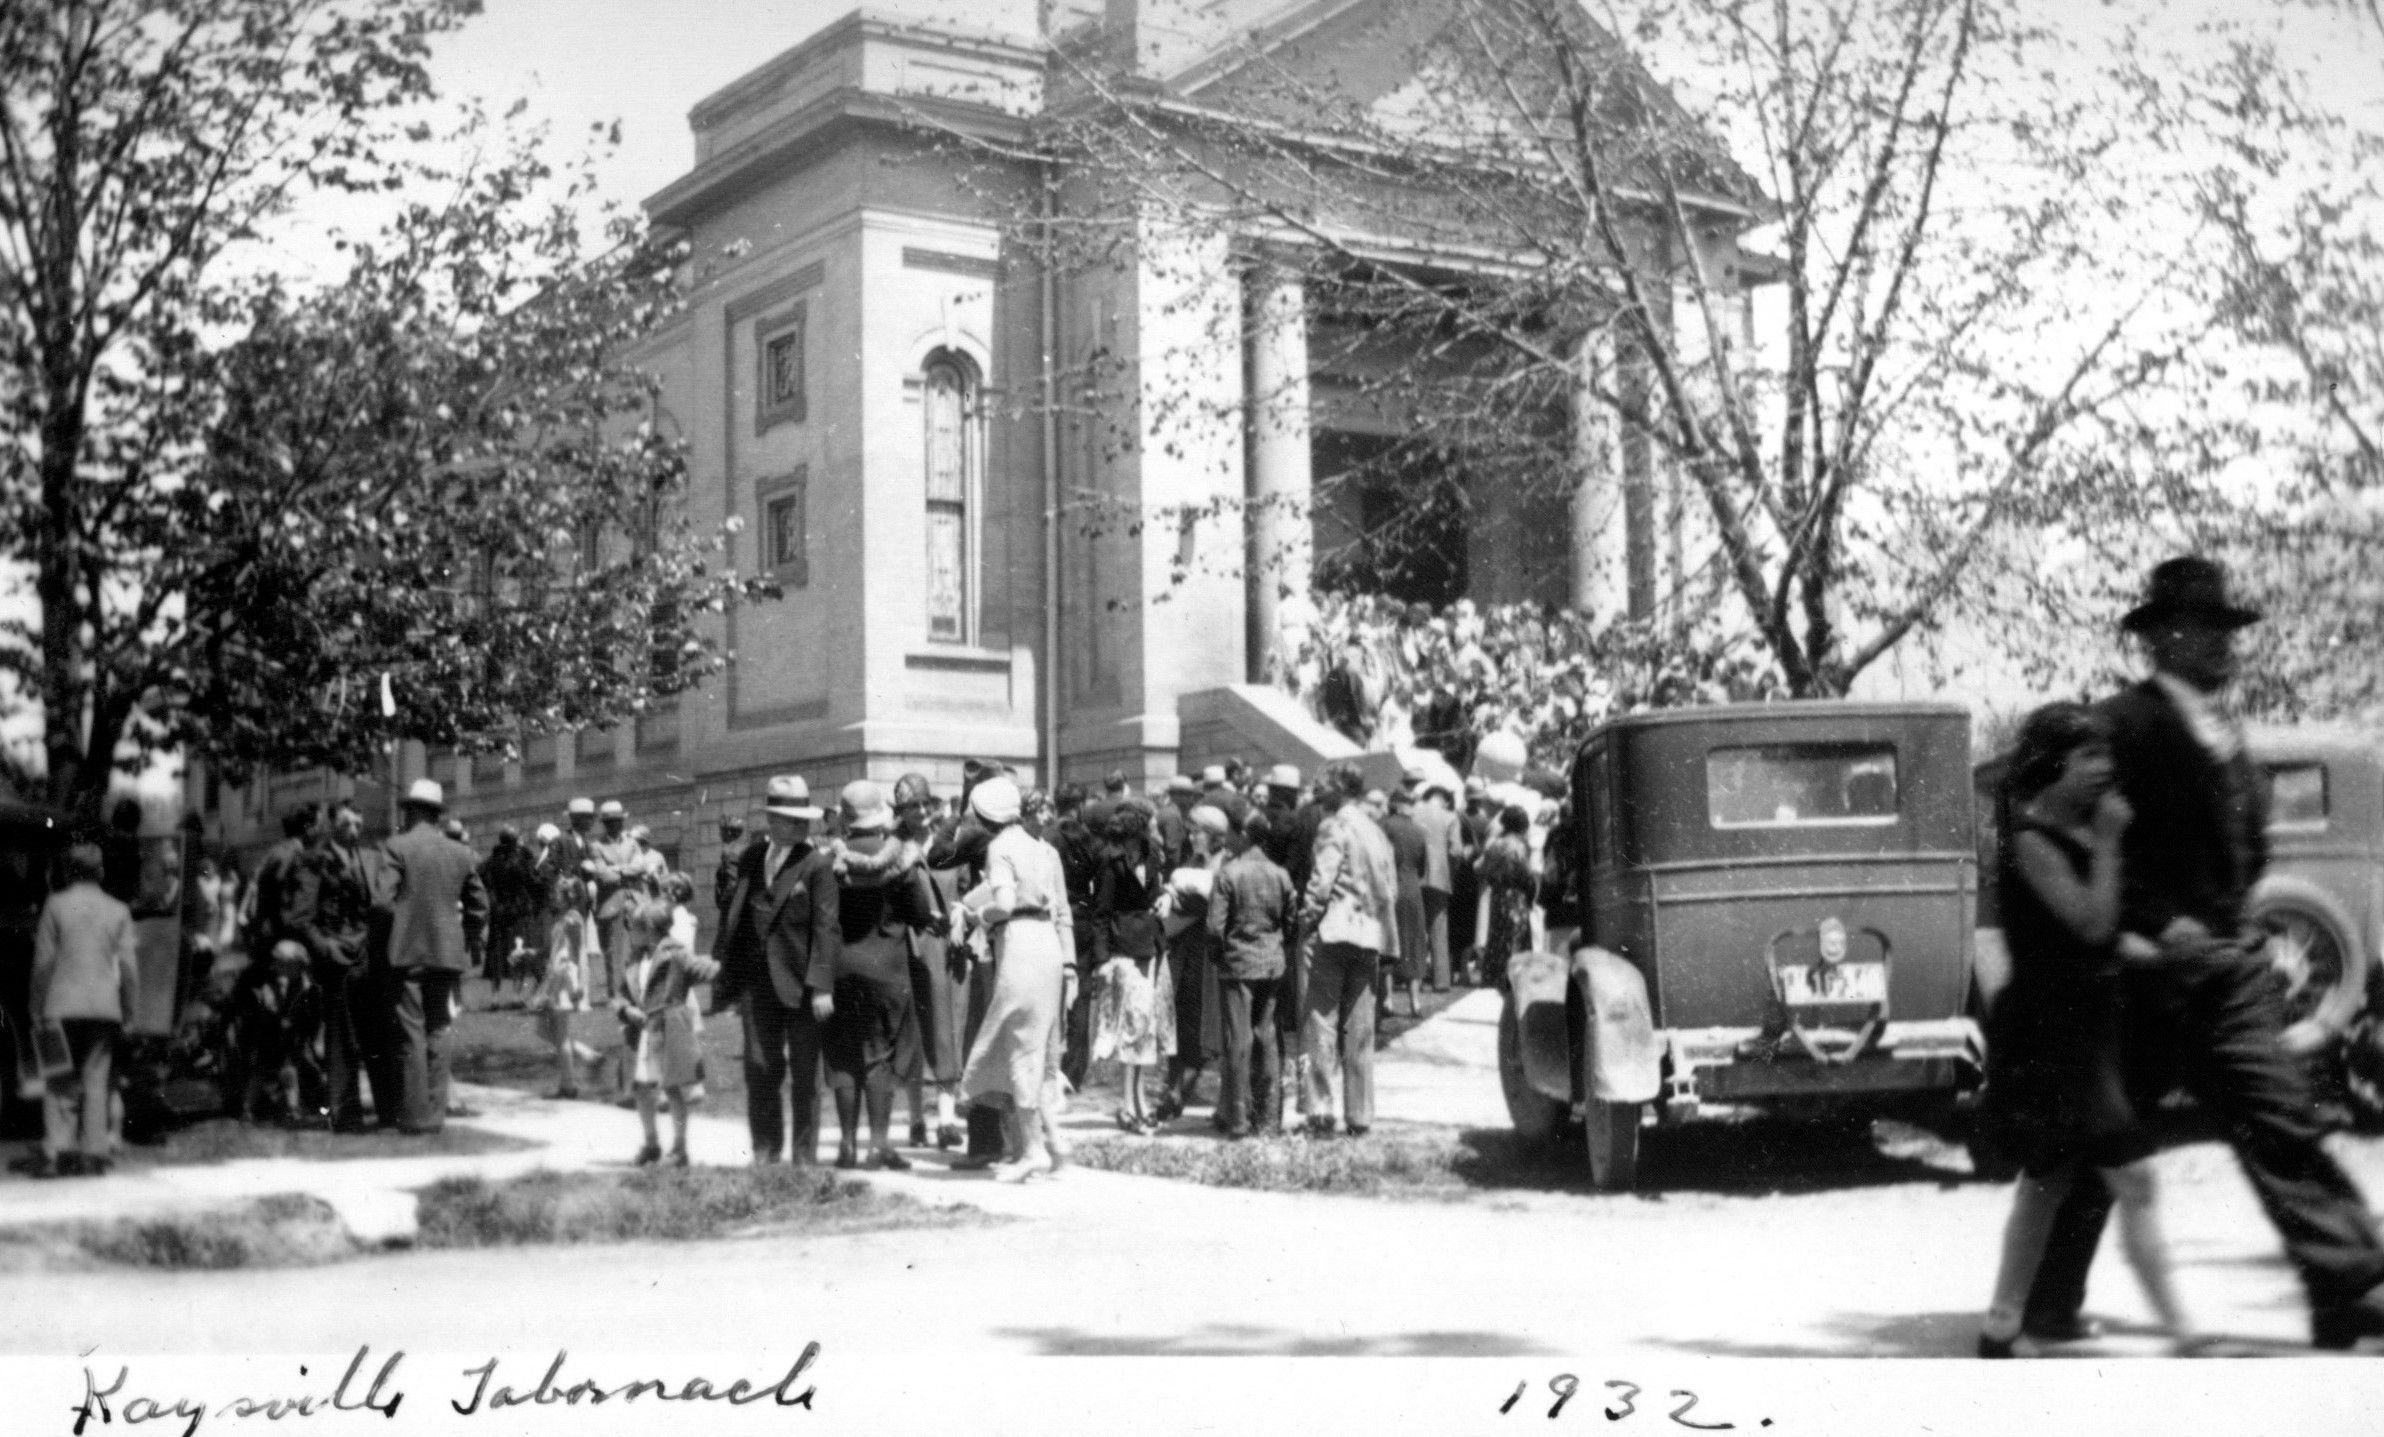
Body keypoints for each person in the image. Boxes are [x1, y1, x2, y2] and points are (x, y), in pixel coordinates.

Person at [2027, 556, 2384, 1353]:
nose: (2223, 644)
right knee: (2104, 1146)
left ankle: (2348, 1288)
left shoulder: (2226, 732)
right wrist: (2155, 924)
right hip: (2142, 981)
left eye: (2226, 629)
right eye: (2202, 629)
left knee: (2281, 1117)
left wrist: (2231, 918)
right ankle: (2041, 1299)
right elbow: (2071, 838)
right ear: (2160, 639)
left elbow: (2245, 845)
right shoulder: (2118, 726)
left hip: (2229, 975)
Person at [1976, 704, 2194, 1358]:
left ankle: (2000, 1327)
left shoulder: (2067, 833)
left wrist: (2161, 950)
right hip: (2058, 1038)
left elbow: (2087, 938)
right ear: (2053, 764)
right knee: (2132, 1178)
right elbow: (2093, 926)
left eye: (2106, 754)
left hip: (2082, 1030)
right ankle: (2186, 1336)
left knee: (2047, 1183)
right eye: (2089, 755)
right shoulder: (2035, 841)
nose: (2105, 767)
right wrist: (2109, 841)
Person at [714, 775, 841, 1166]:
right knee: (759, 1066)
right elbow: (736, 915)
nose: (800, 825)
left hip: (802, 987)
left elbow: (827, 928)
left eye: (804, 819)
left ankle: (804, 1159)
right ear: (771, 819)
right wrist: (729, 975)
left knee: (805, 1073)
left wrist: (822, 986)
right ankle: (765, 1152)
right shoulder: (751, 858)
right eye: (790, 818)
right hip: (758, 985)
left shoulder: (816, 864)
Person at [954, 776, 1076, 1180]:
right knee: (1037, 1047)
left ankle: (1034, 1151)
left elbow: (1004, 903)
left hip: (1020, 945)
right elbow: (1060, 910)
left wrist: (977, 915)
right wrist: (1071, 966)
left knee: (1020, 1047)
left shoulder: (999, 847)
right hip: (1048, 946)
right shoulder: (1043, 848)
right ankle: (1055, 1144)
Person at [822, 781, 933, 1170]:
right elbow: (920, 913)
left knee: (843, 1056)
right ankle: (878, 1146)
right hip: (887, 970)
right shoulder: (898, 857)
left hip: (840, 970)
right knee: (880, 1056)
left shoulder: (830, 859)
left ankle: (847, 1145)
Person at [379, 779, 490, 1135]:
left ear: (412, 811)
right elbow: (480, 905)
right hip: (446, 952)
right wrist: (466, 936)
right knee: (439, 1028)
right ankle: (434, 1115)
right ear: (437, 814)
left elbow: (382, 902)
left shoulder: (396, 846)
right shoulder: (460, 852)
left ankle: (414, 1115)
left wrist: (388, 934)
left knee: (411, 1030)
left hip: (407, 951)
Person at [24, 843, 138, 1178]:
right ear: (100, 871)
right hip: (104, 1007)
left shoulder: (55, 905)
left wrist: (36, 1005)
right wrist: (129, 1011)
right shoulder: (118, 910)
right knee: (97, 1078)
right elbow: (128, 969)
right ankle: (93, 1154)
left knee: (58, 1078)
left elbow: (43, 964)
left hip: (59, 1004)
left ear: (68, 872)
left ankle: (59, 1151)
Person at [1300, 760, 1400, 1138]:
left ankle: (1320, 1111)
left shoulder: (1334, 826)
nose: (1319, 790)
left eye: (1326, 784)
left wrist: (1304, 920)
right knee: (1360, 1030)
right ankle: (1360, 1115)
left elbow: (1321, 884)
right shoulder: (1375, 830)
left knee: (1321, 1023)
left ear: (1341, 788)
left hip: (1334, 932)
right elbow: (1390, 888)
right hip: (1370, 935)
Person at [284, 802, 380, 1130]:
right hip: (336, 958)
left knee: (371, 1033)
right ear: (332, 825)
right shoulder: (316, 860)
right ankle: (345, 1113)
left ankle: (383, 1108)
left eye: (358, 825)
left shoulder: (366, 858)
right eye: (347, 824)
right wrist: (326, 948)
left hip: (364, 954)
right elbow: (301, 916)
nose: (354, 831)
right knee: (340, 1036)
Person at [614, 878, 719, 1167]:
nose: (630, 932)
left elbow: (702, 968)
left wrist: (727, 968)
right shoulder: (635, 960)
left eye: (634, 928)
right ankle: (651, 1143)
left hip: (667, 1029)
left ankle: (679, 1147)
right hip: (640, 1034)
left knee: (672, 1090)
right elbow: (620, 995)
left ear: (650, 930)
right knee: (641, 1088)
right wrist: (626, 1010)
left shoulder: (675, 954)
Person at [1208, 809, 1296, 1139]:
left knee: (1238, 1040)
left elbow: (1214, 927)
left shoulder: (1229, 873)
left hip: (1237, 964)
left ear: (1244, 836)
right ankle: (1268, 1118)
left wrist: (1218, 956)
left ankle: (1238, 1118)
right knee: (1267, 1038)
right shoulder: (1280, 875)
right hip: (1271, 963)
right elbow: (1291, 921)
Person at [1091, 800, 1171, 1133]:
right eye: (1149, 826)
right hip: (1124, 949)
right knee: (1133, 1025)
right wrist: (1101, 959)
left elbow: (1155, 893)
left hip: (1150, 947)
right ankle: (1129, 1105)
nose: (1154, 831)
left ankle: (1137, 1102)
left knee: (1144, 1026)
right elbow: (1101, 913)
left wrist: (1164, 898)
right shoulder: (1111, 863)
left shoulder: (1152, 857)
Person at [1156, 805, 1229, 1125]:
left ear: (1214, 835)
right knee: (1181, 1016)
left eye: (1198, 831)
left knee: (1205, 1021)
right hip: (1184, 949)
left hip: (1209, 953)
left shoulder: (1225, 863)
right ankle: (1174, 1087)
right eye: (1191, 830)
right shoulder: (1192, 861)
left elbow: (1207, 902)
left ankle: (1185, 1089)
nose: (1192, 836)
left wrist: (1178, 898)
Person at [1412, 780, 1467, 992]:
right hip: (1440, 878)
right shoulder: (1450, 817)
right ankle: (1441, 980)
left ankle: (1415, 978)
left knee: (1416, 928)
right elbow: (1456, 851)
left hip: (1415, 876)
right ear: (1444, 800)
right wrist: (1451, 872)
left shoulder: (1414, 813)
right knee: (1438, 929)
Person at [1381, 787, 1431, 1018]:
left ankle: (1388, 1000)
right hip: (1412, 889)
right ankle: (1415, 1002)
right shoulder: (1420, 831)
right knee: (1414, 943)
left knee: (1389, 942)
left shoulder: (1385, 826)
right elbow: (1422, 867)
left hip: (1390, 886)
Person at [1475, 805, 1537, 988]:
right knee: (1516, 937)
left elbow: (1481, 869)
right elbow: (1526, 874)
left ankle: (1495, 977)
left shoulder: (1495, 845)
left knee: (1498, 937)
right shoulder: (1520, 845)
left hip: (1498, 896)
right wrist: (1531, 894)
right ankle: (1514, 979)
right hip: (1517, 896)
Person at [479, 826, 543, 1001]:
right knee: (518, 951)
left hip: (498, 912)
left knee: (496, 955)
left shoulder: (491, 860)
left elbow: (481, 875)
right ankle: (516, 996)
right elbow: (532, 879)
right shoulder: (520, 859)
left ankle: (494, 998)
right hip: (518, 912)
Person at [531, 912, 590, 1100]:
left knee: (561, 1037)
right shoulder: (561, 939)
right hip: (557, 990)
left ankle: (568, 1085)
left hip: (561, 992)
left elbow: (566, 966)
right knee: (545, 1031)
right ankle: (578, 1054)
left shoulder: (566, 945)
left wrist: (552, 990)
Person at [587, 800, 641, 1001]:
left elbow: (641, 866)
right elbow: (603, 876)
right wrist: (627, 871)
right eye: (610, 822)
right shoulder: (596, 846)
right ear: (605, 824)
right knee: (614, 953)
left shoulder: (632, 843)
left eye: (618, 821)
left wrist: (617, 869)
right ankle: (617, 995)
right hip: (610, 904)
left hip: (634, 902)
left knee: (635, 950)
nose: (615, 825)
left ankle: (634, 993)